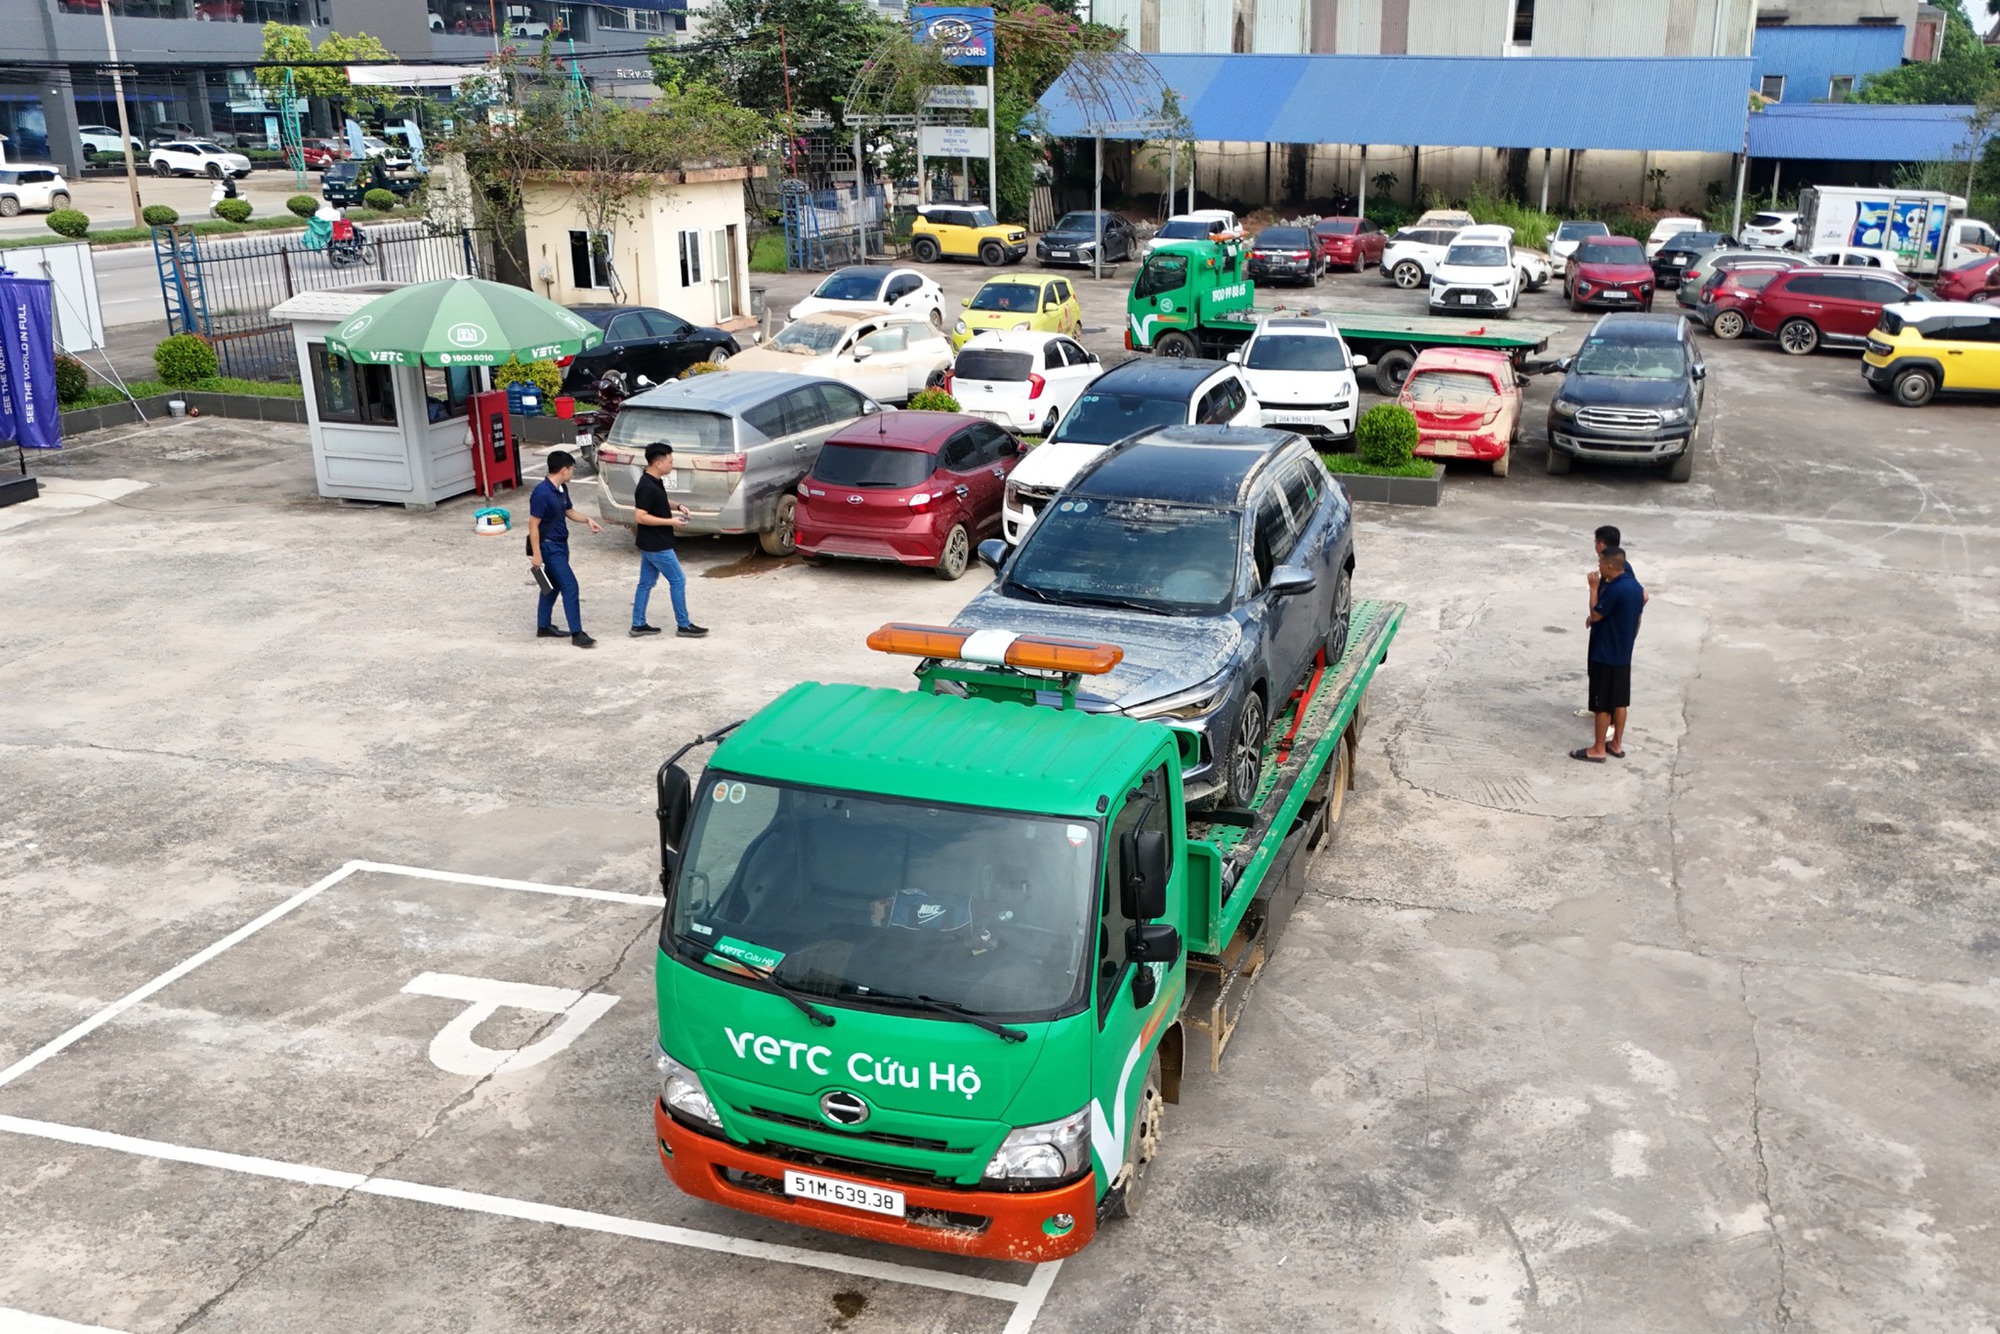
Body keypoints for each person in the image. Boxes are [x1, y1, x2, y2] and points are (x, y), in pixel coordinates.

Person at [629, 443, 709, 639]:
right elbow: (640, 516)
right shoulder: (646, 486)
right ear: (658, 463)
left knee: (645, 583)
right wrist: (670, 521)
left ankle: (638, 624)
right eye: (670, 461)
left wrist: (678, 505)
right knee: (678, 580)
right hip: (658, 544)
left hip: (650, 543)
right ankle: (683, 624)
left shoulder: (654, 481)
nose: (672, 464)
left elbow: (660, 500)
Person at [1573, 548, 1644, 762]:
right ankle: (1616, 744)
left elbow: (1596, 614)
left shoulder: (1615, 589)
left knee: (1602, 704)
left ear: (1610, 566)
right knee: (1620, 703)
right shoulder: (1634, 587)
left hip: (1605, 654)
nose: (1599, 568)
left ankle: (1598, 749)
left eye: (1601, 565)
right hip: (1623, 654)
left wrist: (1593, 588)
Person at [528, 449, 602, 647]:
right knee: (570, 585)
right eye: (571, 469)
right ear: (563, 470)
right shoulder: (541, 493)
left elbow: (569, 511)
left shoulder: (562, 489)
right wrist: (537, 554)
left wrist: (587, 519)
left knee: (551, 587)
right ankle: (577, 633)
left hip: (561, 544)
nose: (572, 473)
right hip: (549, 548)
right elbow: (533, 524)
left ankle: (543, 626)